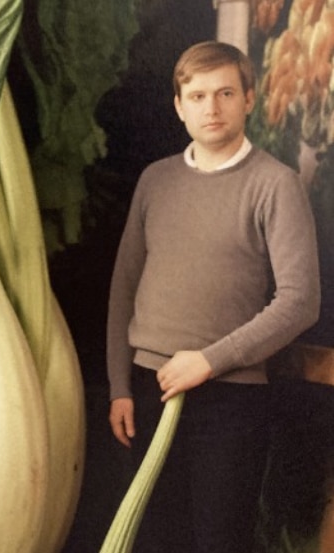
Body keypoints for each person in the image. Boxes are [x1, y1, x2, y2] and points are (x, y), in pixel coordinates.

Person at [106, 40, 321, 553]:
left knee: (219, 542)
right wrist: (119, 385)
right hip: (147, 390)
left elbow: (300, 300)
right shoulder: (155, 181)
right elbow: (124, 287)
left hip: (230, 399)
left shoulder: (276, 185)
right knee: (155, 538)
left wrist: (208, 360)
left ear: (249, 98)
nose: (212, 107)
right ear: (179, 106)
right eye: (197, 95)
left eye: (225, 92)